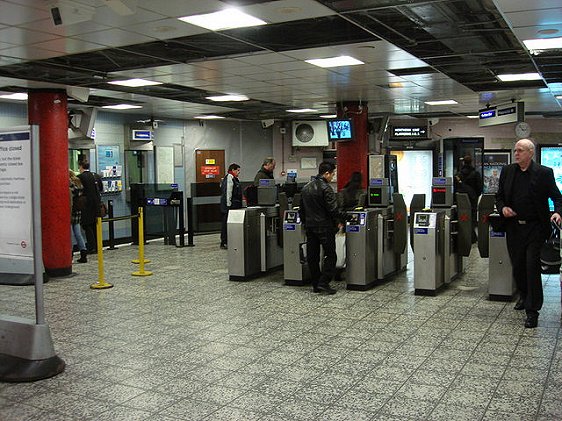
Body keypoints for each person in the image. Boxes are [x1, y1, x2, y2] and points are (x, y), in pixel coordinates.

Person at [496, 138, 562, 328]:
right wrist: (503, 209)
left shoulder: (544, 173)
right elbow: (499, 196)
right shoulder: (508, 171)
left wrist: (557, 212)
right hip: (514, 227)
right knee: (518, 267)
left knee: (531, 267)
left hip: (536, 228)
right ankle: (524, 296)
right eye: (515, 150)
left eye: (521, 150)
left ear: (531, 153)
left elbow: (557, 197)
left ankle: (532, 311)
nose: (516, 154)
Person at [300, 161, 344, 294]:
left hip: (310, 227)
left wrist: (306, 223)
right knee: (330, 255)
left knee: (312, 256)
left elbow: (301, 210)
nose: (333, 177)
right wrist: (345, 217)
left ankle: (316, 284)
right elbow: (333, 210)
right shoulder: (326, 188)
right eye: (332, 174)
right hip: (325, 227)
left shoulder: (306, 187)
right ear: (326, 173)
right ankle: (324, 282)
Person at [455, 155, 482, 243]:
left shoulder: (459, 175)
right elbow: (479, 188)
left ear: (464, 162)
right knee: (472, 218)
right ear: (471, 162)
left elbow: (456, 188)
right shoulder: (476, 173)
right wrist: (475, 195)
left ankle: (464, 236)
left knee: (463, 217)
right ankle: (472, 237)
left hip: (462, 199)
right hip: (472, 198)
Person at [78, 160, 102, 254]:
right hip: (96, 204)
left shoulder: (80, 177)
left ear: (80, 166)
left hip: (86, 205)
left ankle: (91, 246)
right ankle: (98, 246)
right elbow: (100, 188)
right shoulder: (95, 175)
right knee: (95, 226)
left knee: (87, 226)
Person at [219, 163, 242, 249]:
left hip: (232, 205)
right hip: (228, 206)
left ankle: (228, 241)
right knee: (225, 224)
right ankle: (224, 241)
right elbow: (228, 192)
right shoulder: (229, 178)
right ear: (233, 170)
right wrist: (228, 205)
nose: (238, 172)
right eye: (237, 170)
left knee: (228, 223)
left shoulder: (235, 178)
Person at [69, 170, 88, 263]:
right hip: (78, 211)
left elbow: (70, 196)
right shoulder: (79, 183)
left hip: (71, 211)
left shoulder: (71, 185)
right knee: (78, 233)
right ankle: (83, 253)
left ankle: (70, 254)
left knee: (71, 235)